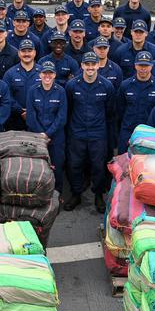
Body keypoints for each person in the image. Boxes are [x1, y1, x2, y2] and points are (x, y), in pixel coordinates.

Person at [65, 52, 115, 212]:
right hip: (77, 132)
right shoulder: (72, 85)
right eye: (87, 64)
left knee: (98, 166)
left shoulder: (107, 86)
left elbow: (110, 112)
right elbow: (69, 109)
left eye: (93, 64)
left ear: (98, 65)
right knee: (75, 165)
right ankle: (76, 194)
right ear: (82, 66)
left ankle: (98, 195)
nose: (90, 67)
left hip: (98, 133)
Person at [26, 62, 68, 193]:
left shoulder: (61, 91)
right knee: (37, 167)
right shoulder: (32, 90)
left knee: (56, 166)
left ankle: (57, 193)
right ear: (40, 74)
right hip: (36, 136)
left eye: (50, 73)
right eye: (45, 73)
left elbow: (62, 117)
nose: (47, 76)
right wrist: (41, 135)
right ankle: (38, 194)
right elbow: (31, 116)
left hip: (56, 137)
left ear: (55, 74)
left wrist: (48, 134)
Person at [117, 52, 155, 154]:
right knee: (124, 165)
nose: (143, 68)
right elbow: (119, 110)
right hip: (128, 132)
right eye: (140, 65)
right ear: (135, 65)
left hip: (151, 135)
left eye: (146, 65)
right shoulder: (125, 85)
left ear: (152, 66)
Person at [2, 39, 41, 130]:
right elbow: (6, 96)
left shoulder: (43, 73)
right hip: (15, 121)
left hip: (38, 120)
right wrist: (20, 110)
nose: (26, 54)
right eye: (23, 51)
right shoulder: (10, 74)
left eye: (29, 51)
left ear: (34, 53)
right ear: (19, 53)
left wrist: (31, 111)